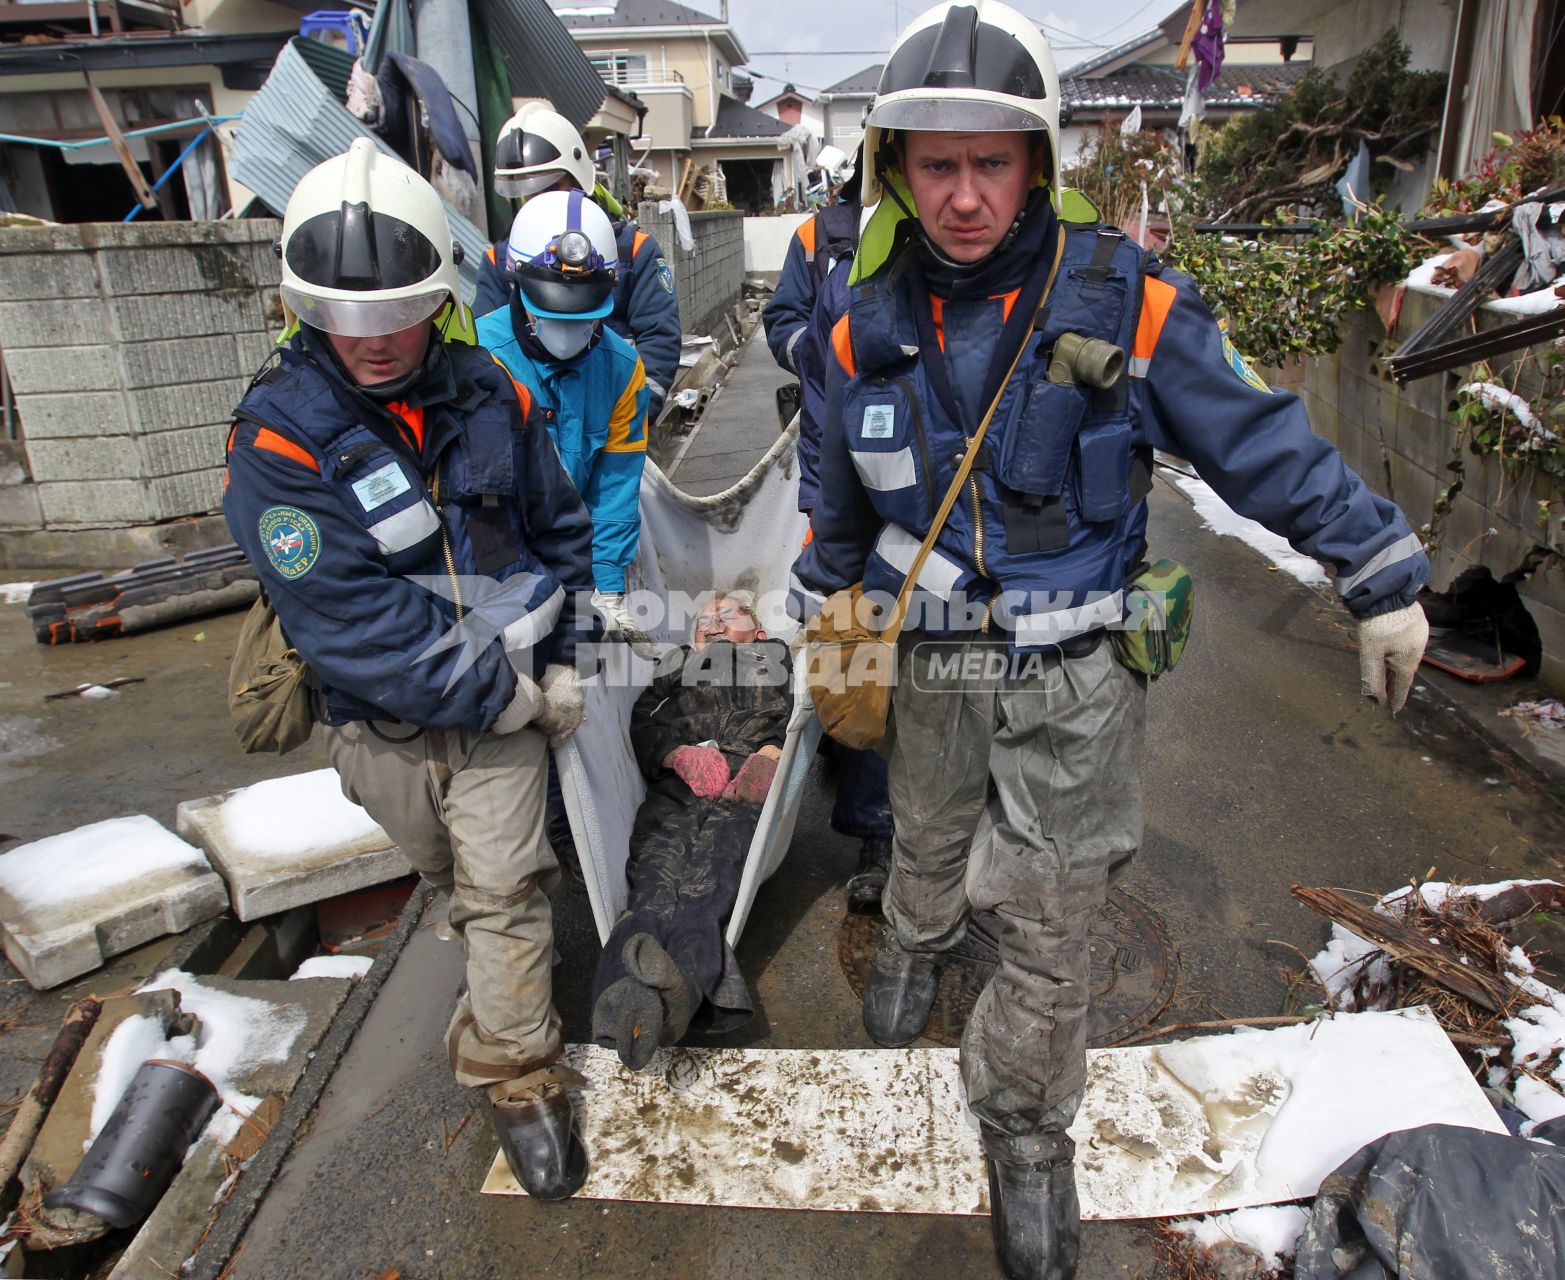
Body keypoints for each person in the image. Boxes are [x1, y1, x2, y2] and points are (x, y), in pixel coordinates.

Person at [788, 3, 1433, 1277]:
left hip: (1076, 674)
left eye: (991, 162)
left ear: (1036, 164)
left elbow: (1253, 435)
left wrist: (1374, 562)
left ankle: (1026, 1132)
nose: (964, 196)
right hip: (934, 660)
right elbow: (834, 477)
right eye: (937, 165)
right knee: (918, 835)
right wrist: (825, 587)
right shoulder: (857, 323)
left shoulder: (1123, 302)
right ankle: (912, 946)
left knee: (1045, 914)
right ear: (896, 171)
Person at [223, 139, 597, 1203]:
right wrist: (506, 690)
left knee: (506, 884)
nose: (375, 339)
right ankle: (495, 983)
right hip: (379, 729)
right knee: (451, 879)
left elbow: (559, 530)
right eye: (346, 318)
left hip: (500, 718)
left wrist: (563, 660)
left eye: (399, 312)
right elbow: (350, 620)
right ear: (304, 311)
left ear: (440, 298)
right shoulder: (279, 443)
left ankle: (519, 1075)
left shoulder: (494, 398)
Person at [759, 152, 896, 911]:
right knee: (852, 640)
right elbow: (784, 321)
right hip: (839, 476)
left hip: (925, 490)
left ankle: (901, 824)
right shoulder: (822, 236)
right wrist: (818, 349)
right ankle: (867, 809)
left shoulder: (939, 241)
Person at [591, 592, 792, 1069]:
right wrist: (675, 754)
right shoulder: (676, 665)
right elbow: (642, 720)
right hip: (683, 777)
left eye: (730, 616)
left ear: (759, 633)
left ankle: (678, 986)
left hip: (747, 777)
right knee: (655, 873)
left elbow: (800, 717)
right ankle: (628, 993)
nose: (716, 625)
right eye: (706, 620)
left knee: (712, 871)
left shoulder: (775, 658)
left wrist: (770, 758)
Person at [476, 190, 650, 632]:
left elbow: (615, 487)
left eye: (583, 315)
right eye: (554, 313)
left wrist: (606, 586)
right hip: (496, 567)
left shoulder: (622, 369)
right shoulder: (479, 358)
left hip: (577, 562)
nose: (569, 329)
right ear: (518, 287)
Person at [474, 102, 681, 421]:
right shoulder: (502, 260)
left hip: (614, 413)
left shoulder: (632, 249)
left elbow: (659, 336)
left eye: (551, 186)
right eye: (529, 192)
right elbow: (485, 355)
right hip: (528, 427)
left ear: (578, 177)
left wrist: (636, 414)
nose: (540, 200)